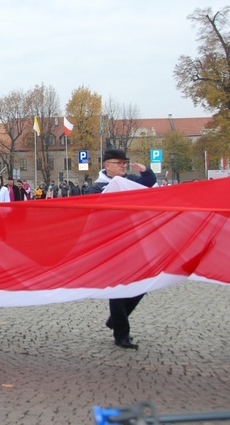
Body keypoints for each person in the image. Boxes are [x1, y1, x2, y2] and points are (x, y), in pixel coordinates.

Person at [86, 148, 157, 349]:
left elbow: (149, 183)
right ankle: (121, 335)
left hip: (134, 241)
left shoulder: (130, 181)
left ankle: (116, 319)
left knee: (145, 283)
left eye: (124, 163)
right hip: (111, 244)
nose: (123, 166)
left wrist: (146, 170)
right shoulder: (97, 188)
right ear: (107, 165)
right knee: (118, 289)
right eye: (119, 163)